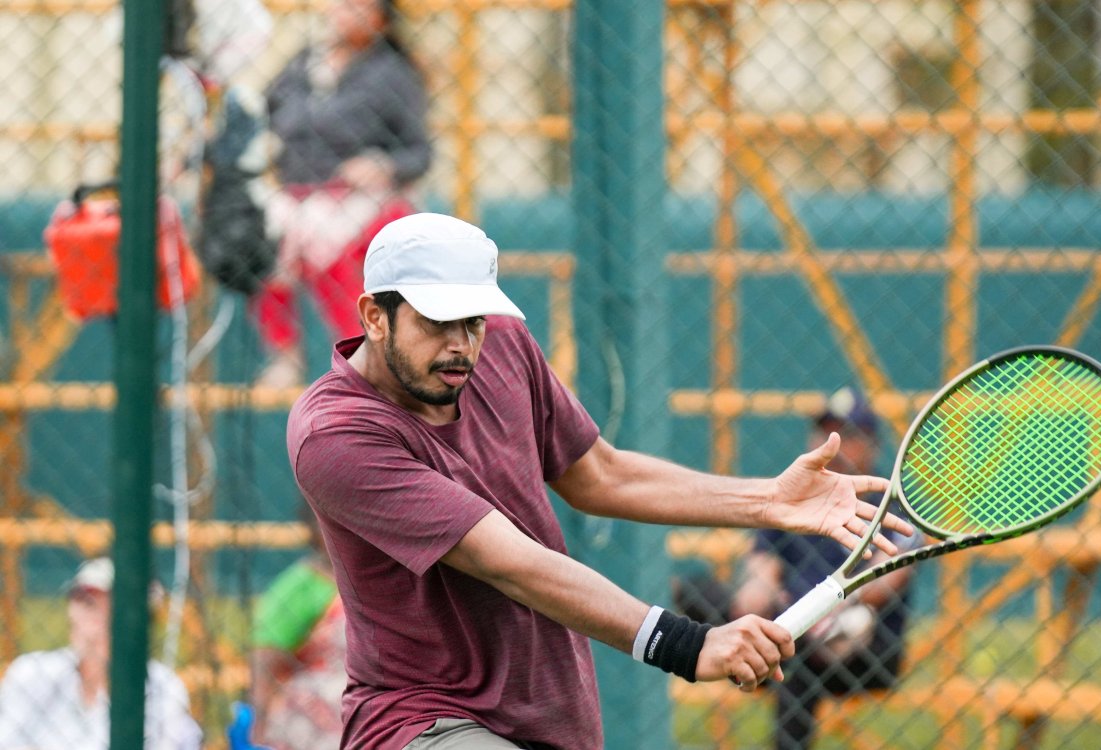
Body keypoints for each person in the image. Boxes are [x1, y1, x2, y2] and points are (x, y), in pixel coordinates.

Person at [285, 212, 914, 749]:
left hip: (553, 708)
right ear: (374, 315)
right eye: (436, 323)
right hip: (424, 720)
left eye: (472, 321)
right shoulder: (336, 434)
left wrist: (768, 500)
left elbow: (600, 474)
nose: (460, 346)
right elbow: (509, 562)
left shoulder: (502, 345)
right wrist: (685, 645)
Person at [731, 388, 921, 750]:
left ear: (871, 445)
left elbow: (881, 584)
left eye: (846, 436)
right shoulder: (793, 499)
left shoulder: (894, 506)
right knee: (695, 594)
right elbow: (760, 572)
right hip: (792, 630)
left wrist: (826, 614)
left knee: (799, 660)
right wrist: (762, 597)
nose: (832, 446)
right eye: (824, 433)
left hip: (864, 647)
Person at [255, 0, 433, 387]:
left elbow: (419, 153)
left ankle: (366, 351)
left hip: (359, 196)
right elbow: (262, 114)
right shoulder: (305, 63)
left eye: (360, 5)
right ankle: (284, 354)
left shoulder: (392, 72)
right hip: (298, 192)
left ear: (380, 19)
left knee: (322, 241)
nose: (344, 10)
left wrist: (382, 165)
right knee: (260, 238)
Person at [0, 557, 203, 750]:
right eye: (81, 602)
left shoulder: (163, 687)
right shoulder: (32, 672)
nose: (80, 615)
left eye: (94, 604)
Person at [248, 504, 347, 749]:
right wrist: (258, 724)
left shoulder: (382, 579)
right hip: (313, 718)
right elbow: (265, 659)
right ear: (313, 529)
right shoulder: (302, 585)